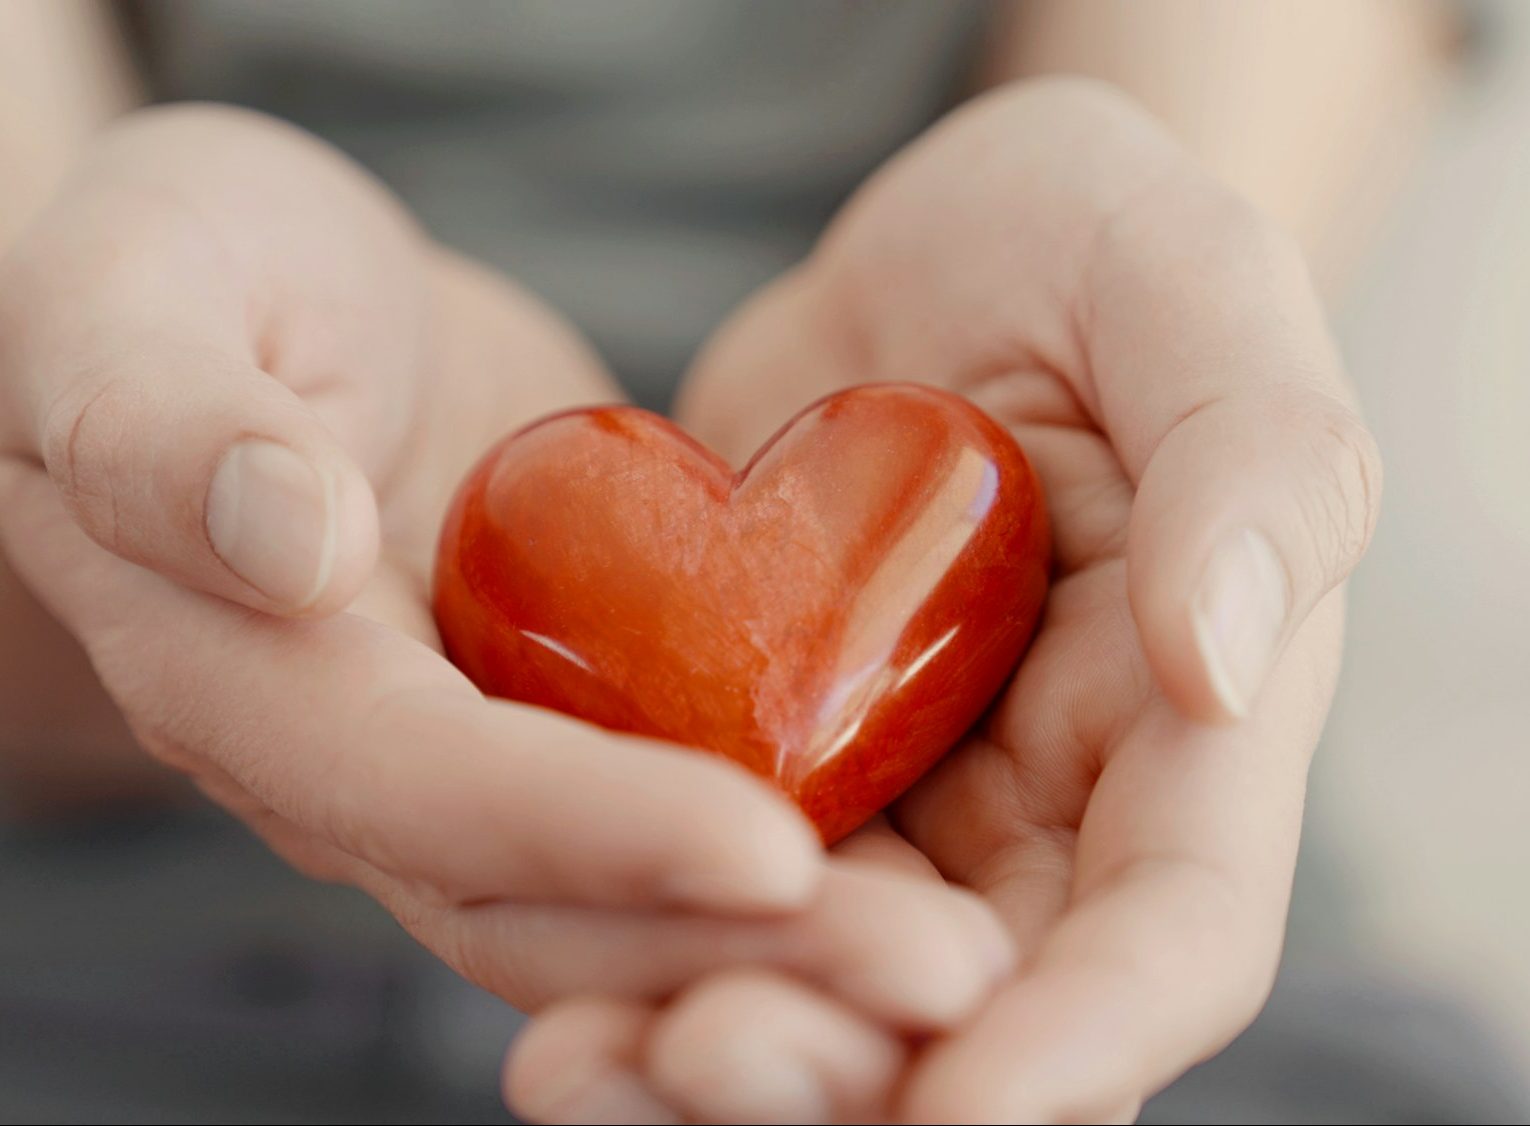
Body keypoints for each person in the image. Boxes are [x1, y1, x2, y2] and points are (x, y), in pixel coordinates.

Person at [0, 2, 1461, 1123]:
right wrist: (91, 407)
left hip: (1096, 863)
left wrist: (1148, 305)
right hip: (126, 953)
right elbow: (64, 319)